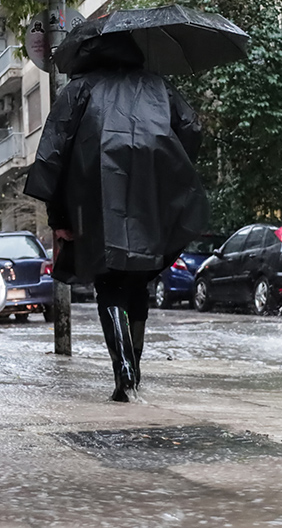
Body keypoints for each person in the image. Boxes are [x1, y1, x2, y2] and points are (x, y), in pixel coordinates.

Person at [23, 32, 209, 402]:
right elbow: (191, 130)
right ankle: (134, 369)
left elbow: (52, 154)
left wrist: (58, 214)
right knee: (137, 285)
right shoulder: (158, 86)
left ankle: (122, 366)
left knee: (107, 285)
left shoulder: (80, 89)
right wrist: (165, 161)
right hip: (150, 203)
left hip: (95, 205)